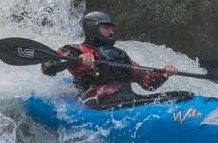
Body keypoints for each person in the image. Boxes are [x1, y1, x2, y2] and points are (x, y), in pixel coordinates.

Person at [41, 11, 193, 110]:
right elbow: (48, 66)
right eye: (106, 28)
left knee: (182, 96)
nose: (111, 31)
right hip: (98, 105)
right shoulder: (75, 50)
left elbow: (148, 83)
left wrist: (164, 74)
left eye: (111, 28)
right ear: (93, 28)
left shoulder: (119, 55)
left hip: (128, 101)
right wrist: (75, 60)